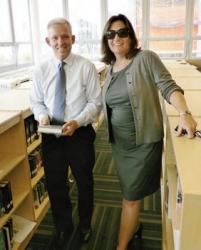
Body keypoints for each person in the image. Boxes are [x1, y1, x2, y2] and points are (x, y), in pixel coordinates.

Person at [101, 14, 197, 250]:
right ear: (106, 40)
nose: (116, 38)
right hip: (119, 145)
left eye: (122, 32)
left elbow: (168, 86)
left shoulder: (146, 59)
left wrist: (184, 114)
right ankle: (134, 227)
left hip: (142, 143)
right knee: (129, 191)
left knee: (130, 198)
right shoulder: (110, 68)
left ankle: (121, 246)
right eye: (110, 34)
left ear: (131, 36)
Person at [30, 17, 102, 249]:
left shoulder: (86, 67)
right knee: (55, 183)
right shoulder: (41, 70)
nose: (60, 42)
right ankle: (63, 225)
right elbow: (36, 102)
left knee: (84, 182)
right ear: (47, 41)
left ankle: (85, 225)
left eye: (65, 36)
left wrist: (78, 121)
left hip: (79, 133)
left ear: (73, 38)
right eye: (55, 38)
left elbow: (95, 103)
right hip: (51, 135)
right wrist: (41, 115)